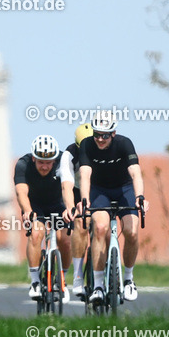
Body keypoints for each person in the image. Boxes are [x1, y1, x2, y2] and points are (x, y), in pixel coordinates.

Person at [78, 110, 148, 303]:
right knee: (100, 228)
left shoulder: (124, 143)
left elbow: (135, 173)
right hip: (99, 190)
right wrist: (84, 200)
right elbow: (84, 175)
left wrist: (140, 196)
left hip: (124, 188)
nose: (100, 139)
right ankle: (99, 285)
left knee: (132, 232)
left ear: (113, 133)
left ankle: (129, 279)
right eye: (97, 134)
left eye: (105, 135)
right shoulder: (86, 145)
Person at [14, 134, 76, 300]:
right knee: (36, 234)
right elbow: (21, 192)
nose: (44, 166)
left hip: (58, 204)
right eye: (41, 161)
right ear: (34, 158)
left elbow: (67, 187)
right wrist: (27, 211)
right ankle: (34, 280)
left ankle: (62, 278)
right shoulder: (23, 164)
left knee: (66, 240)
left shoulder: (63, 162)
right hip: (34, 206)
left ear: (55, 159)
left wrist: (69, 208)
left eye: (48, 162)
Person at [60, 123, 93, 298]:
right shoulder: (69, 155)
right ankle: (78, 275)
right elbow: (66, 186)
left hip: (96, 190)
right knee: (79, 222)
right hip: (75, 190)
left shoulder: (102, 149)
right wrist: (71, 208)